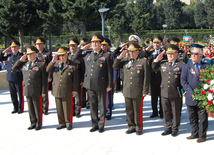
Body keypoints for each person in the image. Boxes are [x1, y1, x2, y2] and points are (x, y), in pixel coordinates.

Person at [74, 32, 113, 133]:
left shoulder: (106, 56)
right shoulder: (87, 55)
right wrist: (81, 49)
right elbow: (74, 59)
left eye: (97, 42)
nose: (94, 44)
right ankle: (94, 124)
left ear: (100, 44)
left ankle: (101, 125)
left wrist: (109, 85)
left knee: (102, 106)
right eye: (93, 42)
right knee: (92, 106)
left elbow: (109, 71)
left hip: (101, 85)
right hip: (90, 85)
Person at [113, 42, 150, 135]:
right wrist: (120, 57)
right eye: (130, 51)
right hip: (127, 89)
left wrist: (145, 90)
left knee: (137, 110)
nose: (131, 53)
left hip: (138, 89)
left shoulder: (143, 61)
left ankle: (138, 127)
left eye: (133, 51)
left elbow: (146, 76)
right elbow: (115, 66)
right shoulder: (125, 60)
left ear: (138, 51)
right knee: (129, 110)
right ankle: (131, 126)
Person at [152, 44, 184, 137]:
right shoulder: (163, 64)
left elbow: (183, 79)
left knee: (176, 111)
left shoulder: (181, 65)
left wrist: (183, 91)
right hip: (164, 91)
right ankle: (167, 127)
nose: (170, 55)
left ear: (176, 54)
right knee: (166, 111)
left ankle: (175, 128)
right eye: (169, 54)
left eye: (172, 53)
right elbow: (154, 69)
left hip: (176, 92)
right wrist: (156, 60)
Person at [12, 46, 47, 130]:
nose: (29, 56)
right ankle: (33, 122)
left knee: (37, 107)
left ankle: (38, 123)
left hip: (36, 89)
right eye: (28, 54)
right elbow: (14, 68)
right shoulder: (25, 64)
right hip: (27, 89)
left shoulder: (40, 64)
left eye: (31, 54)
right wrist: (20, 60)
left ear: (35, 54)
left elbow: (44, 79)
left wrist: (43, 91)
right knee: (30, 108)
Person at [181, 44, 209, 143]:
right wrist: (191, 92)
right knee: (192, 116)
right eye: (192, 53)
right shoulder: (186, 67)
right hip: (190, 96)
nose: (193, 55)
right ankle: (194, 133)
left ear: (200, 55)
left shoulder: (207, 66)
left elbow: (209, 80)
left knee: (203, 117)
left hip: (202, 96)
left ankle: (202, 135)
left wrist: (204, 93)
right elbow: (183, 81)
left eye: (195, 54)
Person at [46, 47, 78, 130]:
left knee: (67, 107)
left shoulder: (72, 64)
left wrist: (75, 90)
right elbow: (47, 69)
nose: (61, 57)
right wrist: (53, 60)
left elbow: (75, 79)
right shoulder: (55, 63)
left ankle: (68, 123)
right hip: (56, 89)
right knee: (59, 108)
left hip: (67, 89)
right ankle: (61, 123)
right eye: (59, 55)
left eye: (63, 55)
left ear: (67, 54)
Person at [0, 40, 24, 114]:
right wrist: (3, 52)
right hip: (10, 77)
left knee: (20, 94)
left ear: (18, 47)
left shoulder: (21, 56)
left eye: (15, 47)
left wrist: (23, 79)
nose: (13, 49)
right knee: (13, 94)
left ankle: (20, 108)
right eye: (12, 47)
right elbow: (0, 58)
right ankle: (15, 107)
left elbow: (23, 68)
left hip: (18, 78)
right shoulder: (9, 55)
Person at [147, 35, 165, 118]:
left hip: (161, 78)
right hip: (152, 78)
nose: (156, 45)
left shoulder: (164, 53)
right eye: (154, 43)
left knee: (162, 96)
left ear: (161, 43)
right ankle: (154, 112)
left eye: (158, 43)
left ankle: (162, 112)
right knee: (153, 96)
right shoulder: (149, 53)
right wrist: (147, 49)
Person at [67, 37, 85, 118]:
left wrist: (82, 80)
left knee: (78, 97)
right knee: (70, 96)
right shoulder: (67, 56)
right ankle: (72, 110)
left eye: (74, 45)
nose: (72, 47)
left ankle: (77, 111)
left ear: (77, 46)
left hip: (77, 79)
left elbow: (83, 70)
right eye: (70, 46)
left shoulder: (81, 58)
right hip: (69, 80)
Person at [35, 37, 52, 115]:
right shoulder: (34, 53)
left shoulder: (48, 53)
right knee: (37, 92)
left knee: (44, 91)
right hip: (36, 76)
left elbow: (50, 66)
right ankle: (39, 107)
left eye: (40, 44)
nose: (38, 46)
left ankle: (45, 107)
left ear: (43, 44)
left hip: (45, 75)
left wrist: (49, 76)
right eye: (37, 44)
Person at [101, 37, 117, 120]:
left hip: (108, 79)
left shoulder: (111, 55)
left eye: (105, 45)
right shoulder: (98, 54)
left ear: (108, 46)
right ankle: (102, 112)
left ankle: (108, 113)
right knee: (100, 97)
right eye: (102, 45)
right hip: (100, 80)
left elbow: (114, 67)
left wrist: (114, 79)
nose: (103, 46)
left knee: (108, 97)